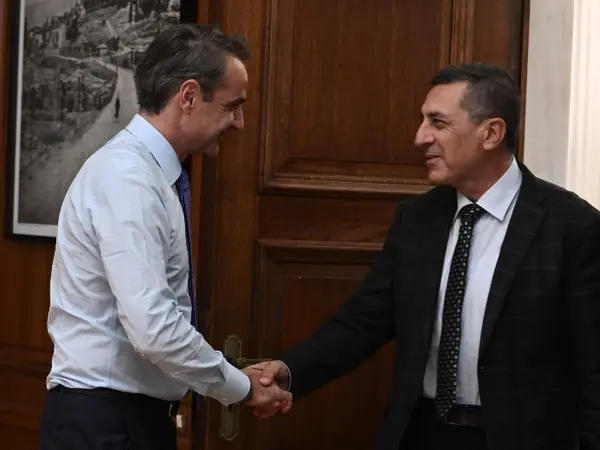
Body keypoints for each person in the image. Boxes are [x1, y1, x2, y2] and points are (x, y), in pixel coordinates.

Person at [249, 62, 600, 450]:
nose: (420, 137)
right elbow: (363, 322)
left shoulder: (572, 227)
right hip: (422, 434)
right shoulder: (417, 219)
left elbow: (594, 365)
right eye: (423, 121)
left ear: (491, 133)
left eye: (438, 122)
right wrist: (289, 371)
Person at [39, 24, 291, 450]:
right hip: (107, 424)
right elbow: (154, 328)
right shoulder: (129, 178)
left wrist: (234, 380)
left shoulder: (152, 175)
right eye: (232, 107)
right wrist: (242, 388)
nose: (240, 124)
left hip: (123, 418)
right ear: (189, 96)